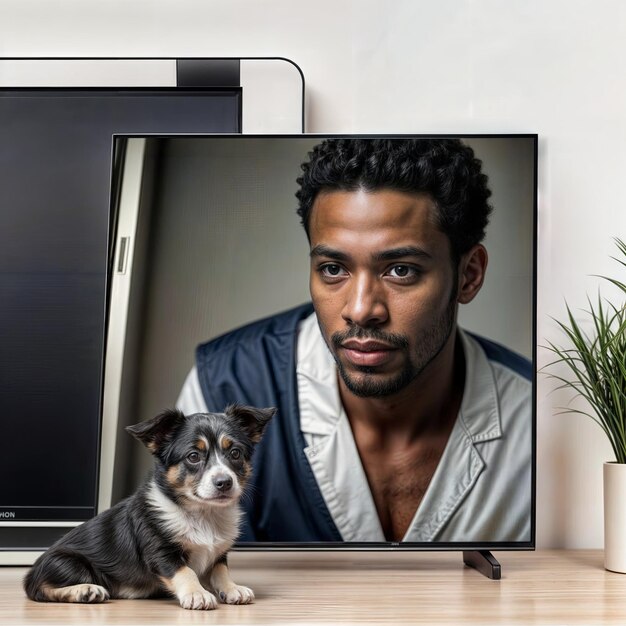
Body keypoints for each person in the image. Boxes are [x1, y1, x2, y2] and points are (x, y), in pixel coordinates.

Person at [177, 138, 532, 543]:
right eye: (332, 268)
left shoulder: (535, 422)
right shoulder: (225, 386)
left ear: (468, 275)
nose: (361, 310)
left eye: (400, 270)